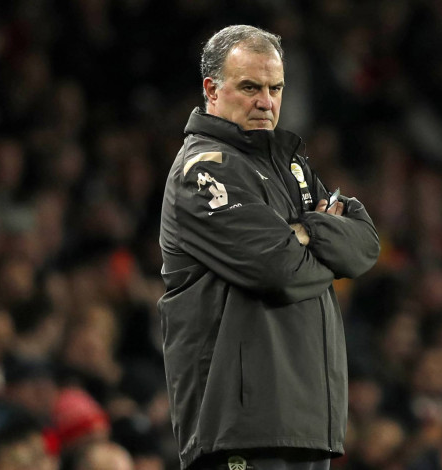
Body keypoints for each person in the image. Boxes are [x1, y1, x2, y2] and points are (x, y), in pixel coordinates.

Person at [157, 24, 380, 470]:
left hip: (306, 423)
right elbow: (278, 268)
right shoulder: (203, 170)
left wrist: (303, 231)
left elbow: (364, 244)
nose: (266, 102)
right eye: (250, 87)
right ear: (212, 90)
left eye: (275, 88)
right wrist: (318, 242)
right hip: (241, 428)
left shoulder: (289, 165)